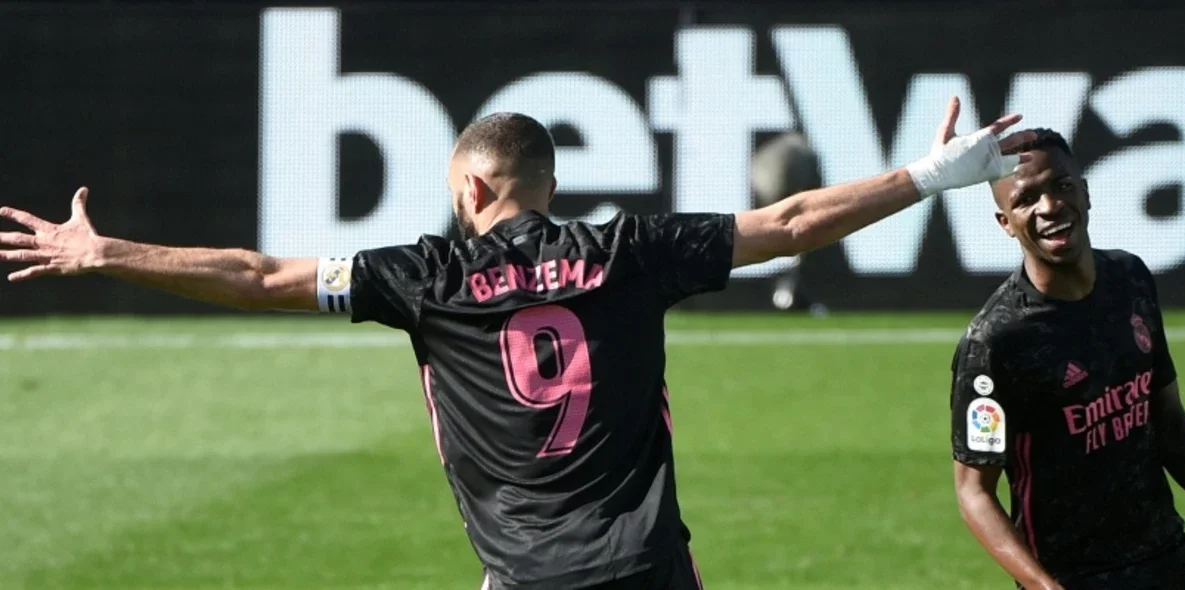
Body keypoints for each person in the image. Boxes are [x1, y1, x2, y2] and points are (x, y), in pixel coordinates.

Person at [2, 98, 1027, 590]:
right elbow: (796, 220)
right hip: (651, 568)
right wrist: (933, 175)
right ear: (550, 188)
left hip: (529, 579)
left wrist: (106, 252)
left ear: (472, 190)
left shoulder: (426, 277)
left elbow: (256, 274)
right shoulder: (630, 249)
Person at [949, 128, 1185, 590]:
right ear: (1005, 222)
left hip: (1168, 559)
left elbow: (1167, 417)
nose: (1049, 207)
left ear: (1085, 191)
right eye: (1026, 199)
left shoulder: (1131, 279)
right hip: (1073, 577)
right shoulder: (997, 342)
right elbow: (974, 491)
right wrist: (1045, 587)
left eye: (1061, 186)